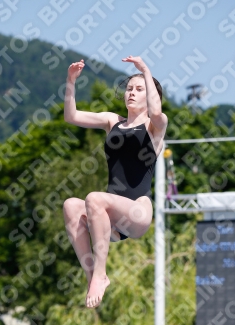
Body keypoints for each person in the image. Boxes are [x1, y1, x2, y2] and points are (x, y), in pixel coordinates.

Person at [63, 56, 168, 308]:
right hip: (110, 221)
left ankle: (100, 273)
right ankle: (94, 277)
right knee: (71, 205)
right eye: (129, 88)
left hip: (137, 212)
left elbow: (156, 112)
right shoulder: (113, 122)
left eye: (139, 89)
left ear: (151, 95)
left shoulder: (156, 127)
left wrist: (145, 69)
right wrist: (70, 81)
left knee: (93, 198)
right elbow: (71, 116)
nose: (131, 93)